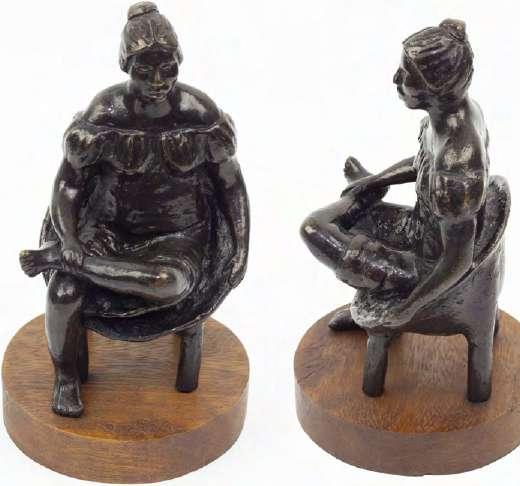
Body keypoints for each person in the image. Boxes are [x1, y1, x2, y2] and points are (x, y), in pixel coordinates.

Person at [20, 2, 249, 417]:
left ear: (179, 62)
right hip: (106, 231)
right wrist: (69, 237)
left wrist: (240, 249)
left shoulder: (199, 114)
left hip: (178, 239)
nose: (158, 81)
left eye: (167, 68)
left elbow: (230, 185)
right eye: (145, 70)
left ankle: (69, 262)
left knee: (170, 283)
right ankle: (66, 378)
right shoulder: (104, 114)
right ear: (126, 65)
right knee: (63, 293)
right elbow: (68, 185)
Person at [301, 19, 489, 331]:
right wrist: (375, 181)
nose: (396, 79)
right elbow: (423, 165)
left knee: (314, 228)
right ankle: (366, 199)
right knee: (342, 217)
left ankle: (376, 303)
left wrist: (407, 308)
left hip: (423, 269)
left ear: (435, 87)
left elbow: (457, 263)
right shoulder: (455, 115)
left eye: (406, 74)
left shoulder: (457, 167)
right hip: (418, 229)